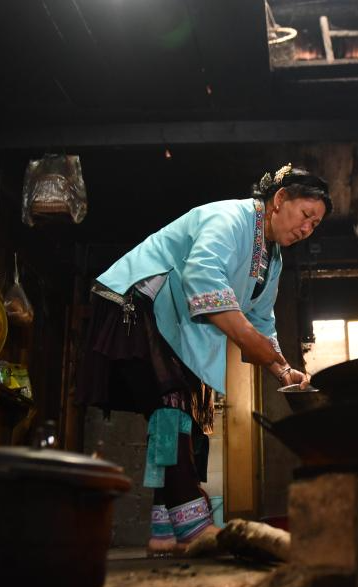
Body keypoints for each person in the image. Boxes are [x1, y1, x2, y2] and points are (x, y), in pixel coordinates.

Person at [77, 164, 330, 557]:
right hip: (137, 303)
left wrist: (283, 369)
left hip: (173, 322)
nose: (307, 229)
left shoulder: (274, 260)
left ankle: (165, 530)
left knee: (185, 415)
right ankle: (192, 523)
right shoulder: (230, 217)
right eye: (306, 215)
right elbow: (202, 277)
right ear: (280, 199)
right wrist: (256, 345)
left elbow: (262, 320)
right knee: (171, 404)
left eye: (315, 225)